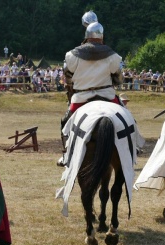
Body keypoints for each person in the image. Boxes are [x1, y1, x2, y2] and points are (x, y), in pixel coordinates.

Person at [57, 20, 123, 166]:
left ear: (86, 36)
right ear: (102, 37)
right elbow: (118, 78)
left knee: (65, 122)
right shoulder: (112, 55)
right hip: (107, 97)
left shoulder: (73, 55)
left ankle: (67, 153)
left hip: (81, 98)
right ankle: (133, 146)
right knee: (126, 116)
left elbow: (68, 75)